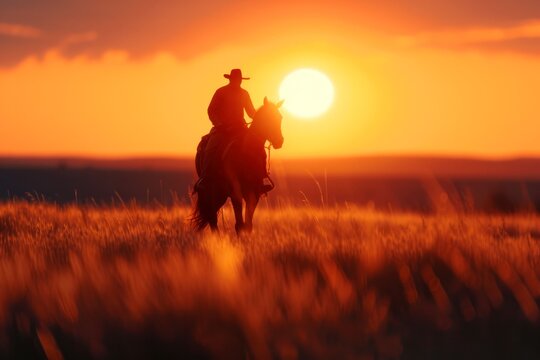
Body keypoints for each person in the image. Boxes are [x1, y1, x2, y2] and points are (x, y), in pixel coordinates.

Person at [197, 69, 258, 189]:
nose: (238, 82)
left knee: (256, 146)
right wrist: (219, 124)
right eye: (236, 79)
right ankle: (205, 178)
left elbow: (251, 112)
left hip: (240, 128)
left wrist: (261, 116)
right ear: (231, 79)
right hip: (222, 129)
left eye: (240, 80)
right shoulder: (221, 92)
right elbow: (211, 110)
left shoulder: (244, 94)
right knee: (210, 148)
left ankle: (259, 178)